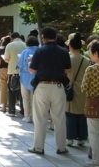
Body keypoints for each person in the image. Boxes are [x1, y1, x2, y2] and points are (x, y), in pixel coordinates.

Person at [28, 27, 71, 155]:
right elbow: (68, 69)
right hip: (58, 86)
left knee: (40, 118)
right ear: (56, 37)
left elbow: (32, 70)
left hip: (42, 86)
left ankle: (39, 147)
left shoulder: (39, 51)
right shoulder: (63, 51)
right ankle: (61, 147)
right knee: (59, 118)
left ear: (43, 37)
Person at [65, 33, 89, 147]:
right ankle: (82, 138)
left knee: (70, 114)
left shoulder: (68, 59)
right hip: (83, 88)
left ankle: (70, 138)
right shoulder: (86, 60)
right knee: (82, 114)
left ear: (70, 46)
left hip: (71, 87)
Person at [17, 36, 39, 123]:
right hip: (36, 78)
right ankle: (34, 116)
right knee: (34, 98)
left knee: (25, 98)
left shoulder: (25, 51)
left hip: (24, 77)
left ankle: (27, 116)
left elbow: (20, 64)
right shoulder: (39, 51)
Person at [4, 32, 26, 117]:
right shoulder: (25, 44)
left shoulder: (10, 45)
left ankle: (11, 110)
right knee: (22, 93)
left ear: (12, 38)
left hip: (12, 71)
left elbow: (6, 59)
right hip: (23, 72)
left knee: (12, 91)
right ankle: (23, 110)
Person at [0, 36, 11, 113]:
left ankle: (4, 106)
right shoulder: (11, 49)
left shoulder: (1, 50)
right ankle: (11, 105)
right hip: (11, 69)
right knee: (11, 88)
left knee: (3, 87)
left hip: (2, 69)